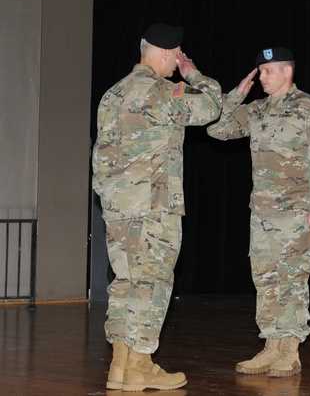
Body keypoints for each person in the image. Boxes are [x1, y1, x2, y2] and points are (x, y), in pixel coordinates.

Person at [92, 24, 222, 391]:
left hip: (118, 208)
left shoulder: (112, 94)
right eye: (176, 55)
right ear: (167, 54)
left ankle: (120, 367)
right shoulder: (164, 91)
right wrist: (193, 72)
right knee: (152, 283)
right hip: (153, 207)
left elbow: (101, 153)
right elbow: (211, 106)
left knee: (126, 284)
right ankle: (141, 365)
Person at [207, 47, 310, 378]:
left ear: (287, 72)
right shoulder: (256, 110)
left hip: (297, 211)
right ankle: (270, 345)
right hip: (263, 212)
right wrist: (236, 94)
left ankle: (289, 351)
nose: (261, 77)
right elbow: (216, 129)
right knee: (265, 279)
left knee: (291, 279)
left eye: (268, 71)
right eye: (260, 72)